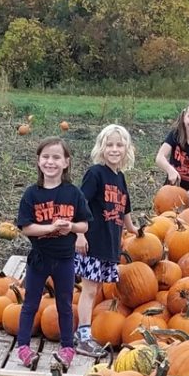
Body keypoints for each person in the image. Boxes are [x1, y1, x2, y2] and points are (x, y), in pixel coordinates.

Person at [13, 138, 89, 370]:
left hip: (65, 259)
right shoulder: (32, 195)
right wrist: (51, 228)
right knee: (30, 304)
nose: (50, 161)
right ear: (38, 161)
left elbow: (84, 224)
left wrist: (72, 228)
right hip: (39, 259)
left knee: (65, 304)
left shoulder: (73, 193)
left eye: (56, 157)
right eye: (46, 157)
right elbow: (26, 227)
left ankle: (67, 348)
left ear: (66, 163)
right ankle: (23, 347)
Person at [76, 124, 134, 355]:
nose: (114, 149)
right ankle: (83, 337)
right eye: (109, 144)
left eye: (119, 145)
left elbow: (125, 209)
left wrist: (134, 229)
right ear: (101, 147)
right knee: (89, 290)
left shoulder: (119, 177)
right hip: (93, 242)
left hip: (109, 243)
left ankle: (83, 332)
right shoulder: (95, 173)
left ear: (126, 149)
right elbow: (80, 203)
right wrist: (79, 234)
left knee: (95, 288)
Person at [155, 101, 189, 203]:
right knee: (165, 218)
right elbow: (160, 157)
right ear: (184, 117)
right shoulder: (176, 135)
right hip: (170, 191)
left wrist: (186, 196)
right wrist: (170, 170)